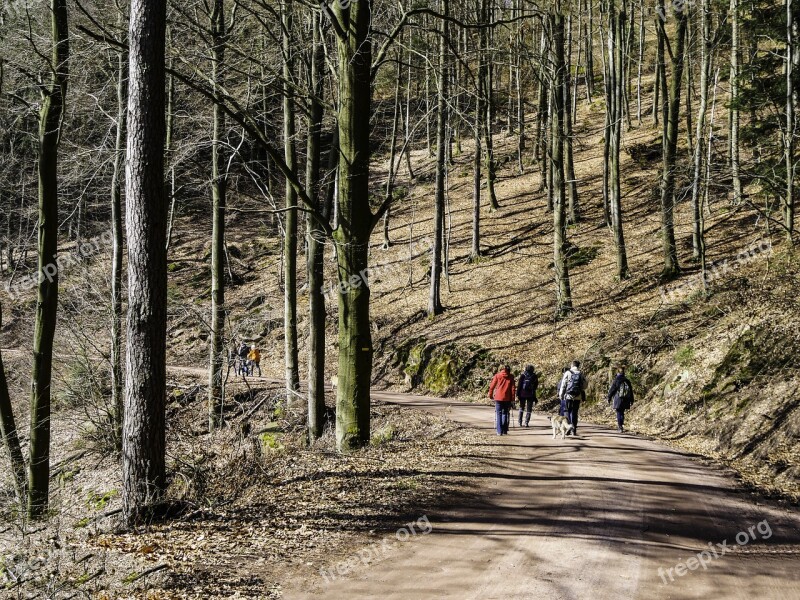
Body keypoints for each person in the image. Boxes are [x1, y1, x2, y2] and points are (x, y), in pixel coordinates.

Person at [558, 360, 587, 435]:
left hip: (568, 396)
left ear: (572, 365)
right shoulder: (581, 373)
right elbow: (585, 385)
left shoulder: (568, 372)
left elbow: (563, 385)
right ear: (578, 366)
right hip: (577, 396)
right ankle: (573, 429)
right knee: (575, 412)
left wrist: (561, 395)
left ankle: (568, 428)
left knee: (568, 411)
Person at [489, 365, 516, 435]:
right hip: (507, 398)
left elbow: (492, 386)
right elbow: (513, 389)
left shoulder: (497, 376)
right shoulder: (511, 376)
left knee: (499, 414)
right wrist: (513, 399)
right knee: (505, 413)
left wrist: (490, 395)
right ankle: (504, 430)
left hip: (498, 397)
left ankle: (499, 431)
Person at [607, 366, 634, 432]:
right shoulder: (627, 380)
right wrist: (632, 399)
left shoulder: (616, 380)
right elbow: (631, 390)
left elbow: (612, 390)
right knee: (622, 412)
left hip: (618, 398)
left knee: (619, 412)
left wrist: (609, 397)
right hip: (626, 398)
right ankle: (621, 425)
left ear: (618, 372)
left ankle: (620, 426)